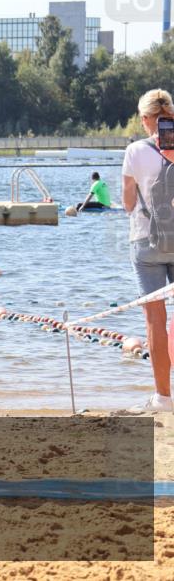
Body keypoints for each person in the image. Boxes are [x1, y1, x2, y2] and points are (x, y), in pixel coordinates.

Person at [121, 88, 174, 412]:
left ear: (144, 119)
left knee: (155, 320)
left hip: (146, 241)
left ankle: (163, 398)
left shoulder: (135, 151)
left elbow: (128, 204)